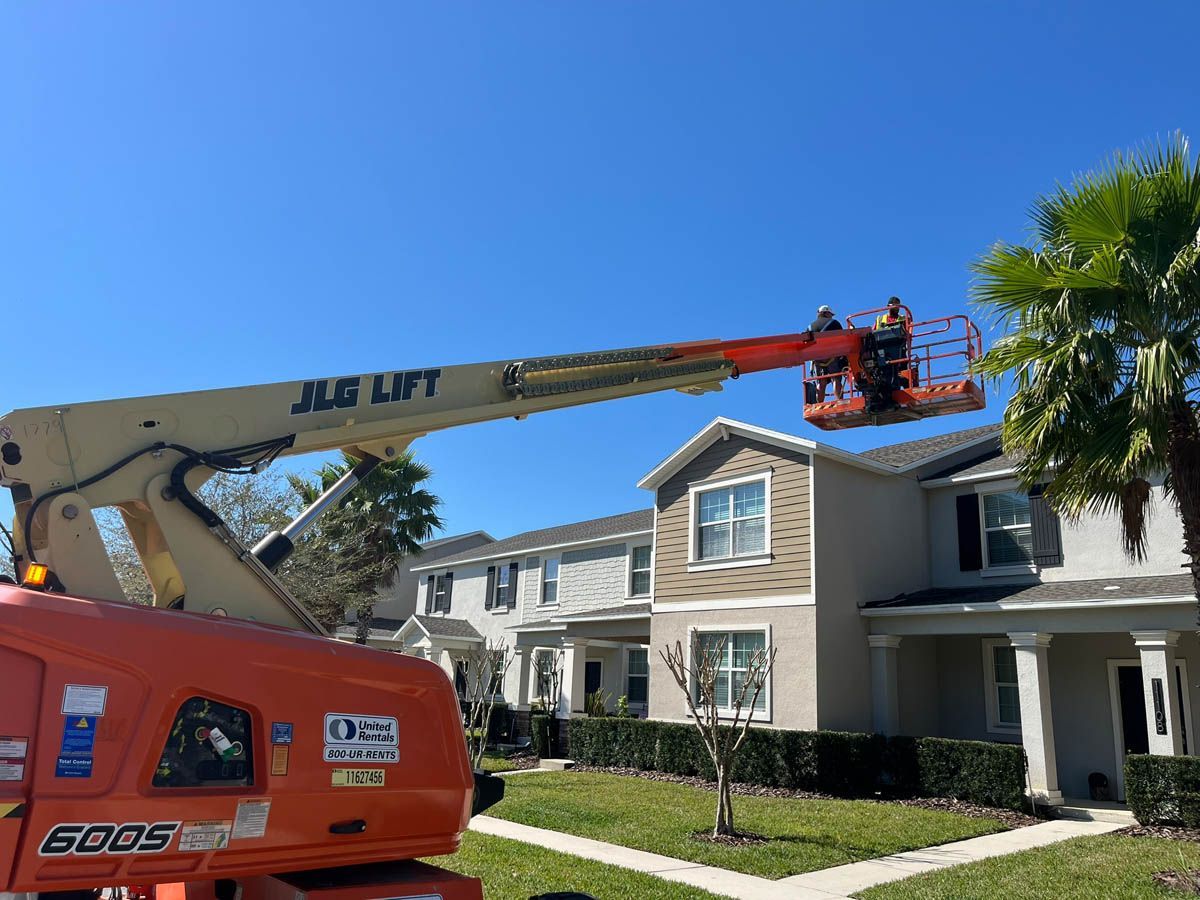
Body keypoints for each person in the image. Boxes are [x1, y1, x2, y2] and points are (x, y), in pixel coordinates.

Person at [809, 304, 847, 402]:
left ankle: (819, 404)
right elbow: (844, 339)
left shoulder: (810, 326)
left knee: (821, 381)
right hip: (832, 355)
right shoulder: (834, 323)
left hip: (817, 358)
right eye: (830, 314)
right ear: (826, 313)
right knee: (836, 379)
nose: (831, 316)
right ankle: (840, 402)